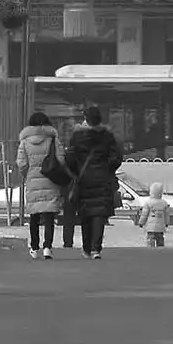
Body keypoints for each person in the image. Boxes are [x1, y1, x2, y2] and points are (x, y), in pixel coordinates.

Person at [62, 105, 124, 258]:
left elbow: (69, 158)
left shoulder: (77, 136)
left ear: (86, 120)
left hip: (84, 179)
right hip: (102, 178)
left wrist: (76, 172)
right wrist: (107, 169)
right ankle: (96, 248)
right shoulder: (107, 136)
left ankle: (87, 248)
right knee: (99, 213)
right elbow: (117, 157)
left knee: (86, 213)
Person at [14, 111, 64, 259]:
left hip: (32, 180)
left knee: (34, 216)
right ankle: (47, 247)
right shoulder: (53, 140)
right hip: (51, 180)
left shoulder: (24, 142)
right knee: (49, 216)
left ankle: (34, 248)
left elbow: (21, 163)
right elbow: (61, 160)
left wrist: (28, 174)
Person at [131, 181, 171, 247]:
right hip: (160, 226)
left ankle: (151, 248)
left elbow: (144, 215)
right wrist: (167, 223)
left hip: (150, 227)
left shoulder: (148, 203)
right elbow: (166, 215)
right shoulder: (164, 203)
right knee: (160, 238)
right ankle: (160, 248)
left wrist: (141, 223)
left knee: (150, 238)